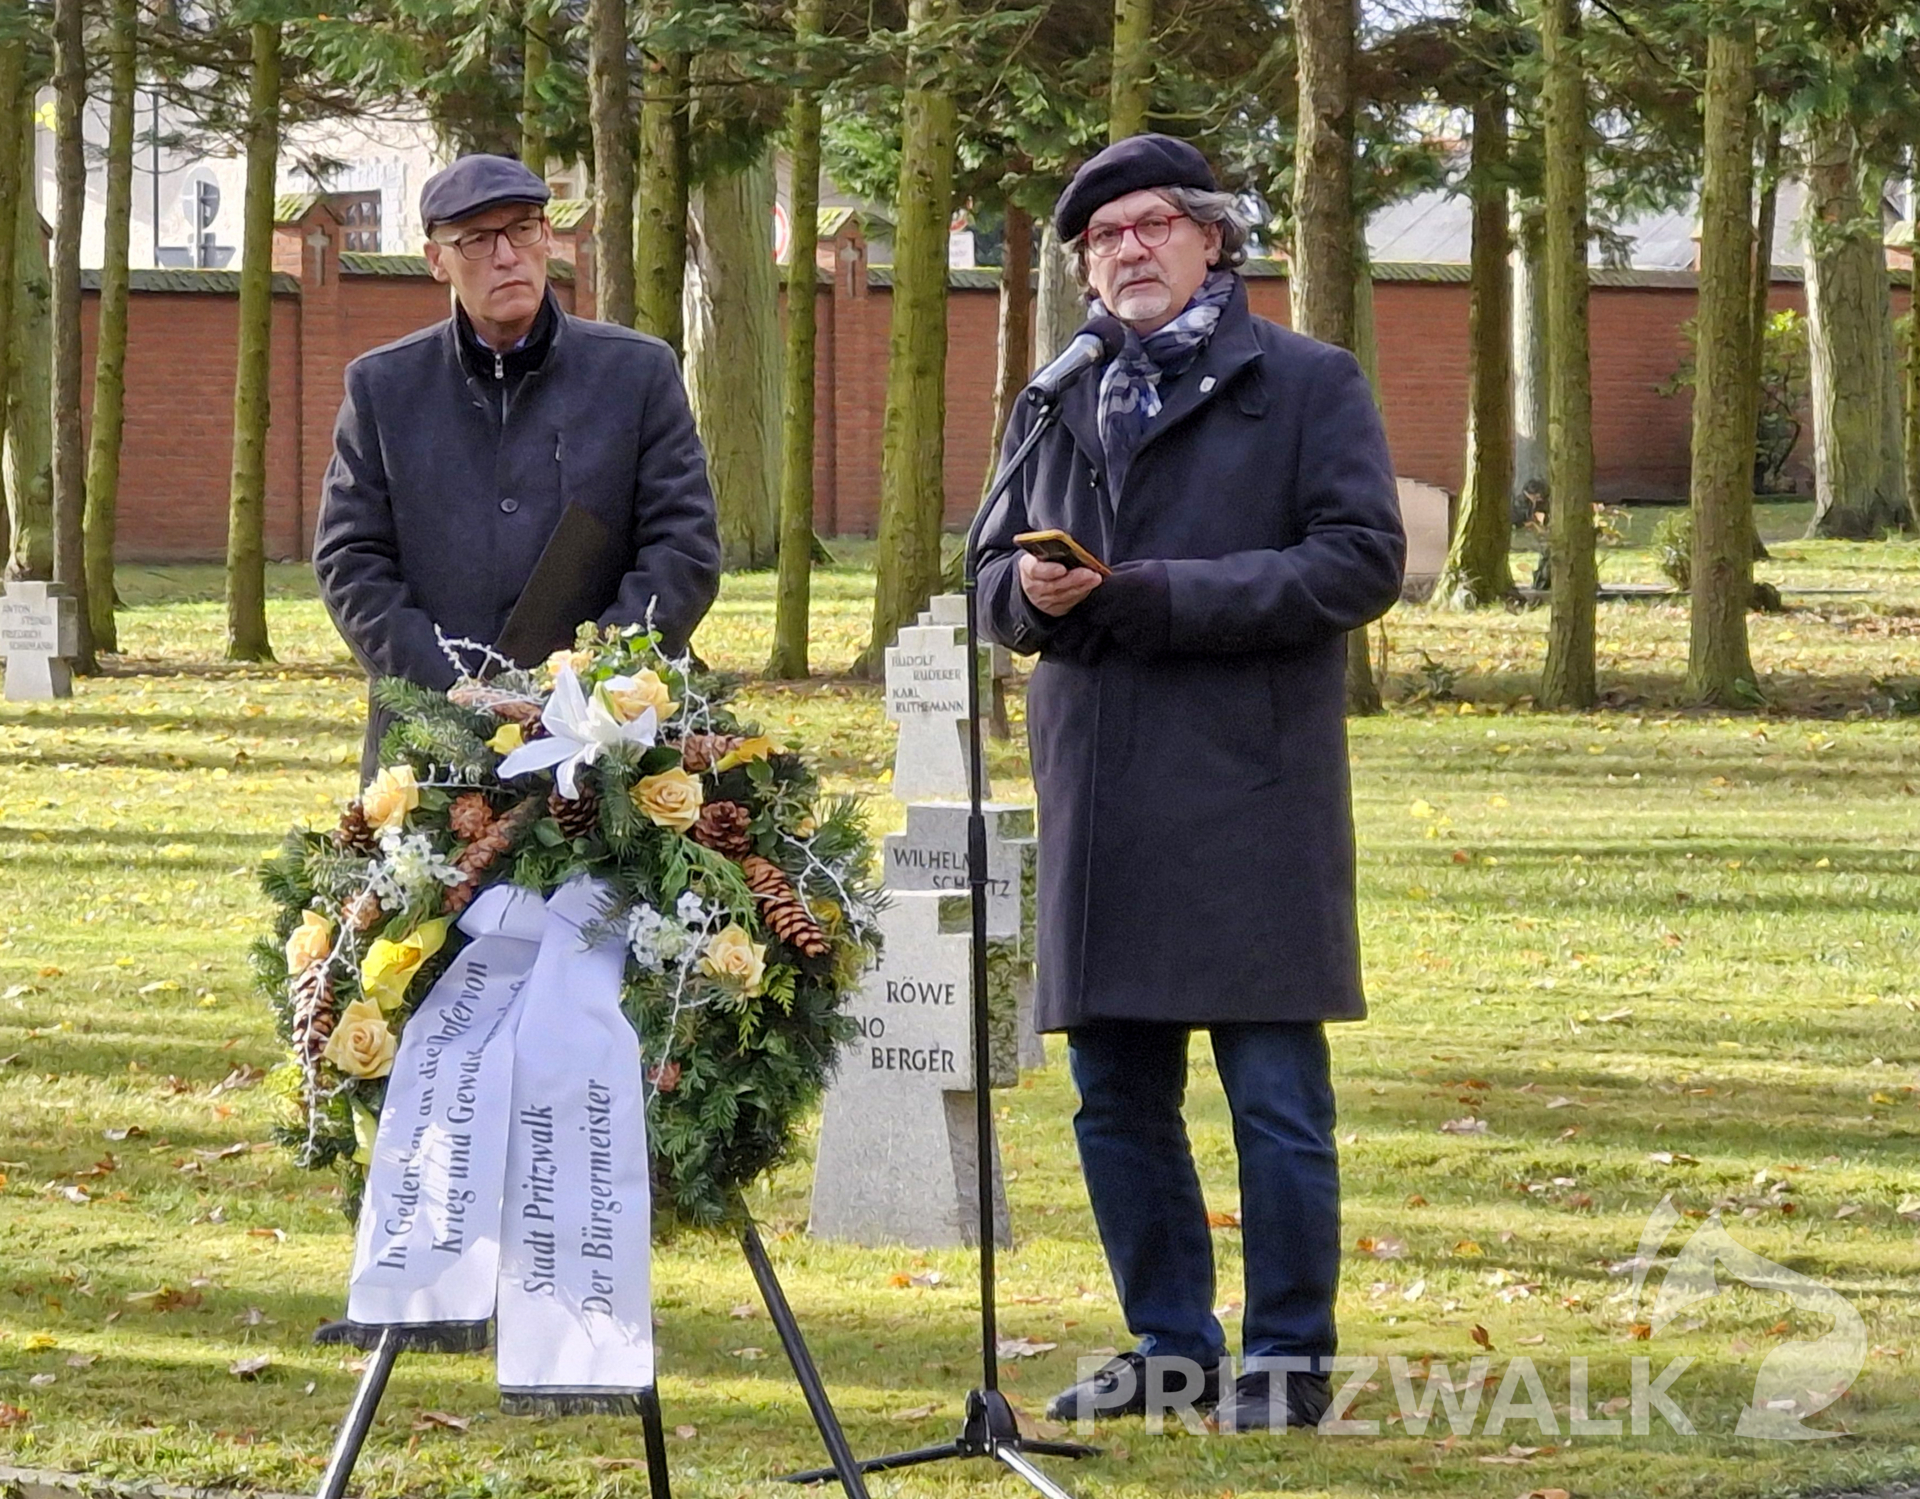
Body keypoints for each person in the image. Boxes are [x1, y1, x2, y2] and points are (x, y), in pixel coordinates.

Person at [974, 134, 1406, 1432]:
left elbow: (1357, 563)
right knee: (1118, 1095)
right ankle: (1170, 1345)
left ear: (1216, 238)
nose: (1127, 250)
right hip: (1100, 793)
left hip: (1251, 791)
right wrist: (1029, 593)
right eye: (1103, 238)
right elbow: (990, 574)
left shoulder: (1309, 383)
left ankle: (1289, 1354)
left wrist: (1145, 594)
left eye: (1153, 225)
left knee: (1273, 1095)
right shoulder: (1054, 394)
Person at [315, 154, 721, 778]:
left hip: (612, 748)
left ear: (548, 238)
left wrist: (589, 687)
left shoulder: (636, 374)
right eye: (476, 240)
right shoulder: (383, 388)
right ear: (436, 262)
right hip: (432, 748)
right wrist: (448, 688)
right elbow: (350, 559)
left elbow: (683, 546)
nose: (506, 255)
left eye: (523, 229)